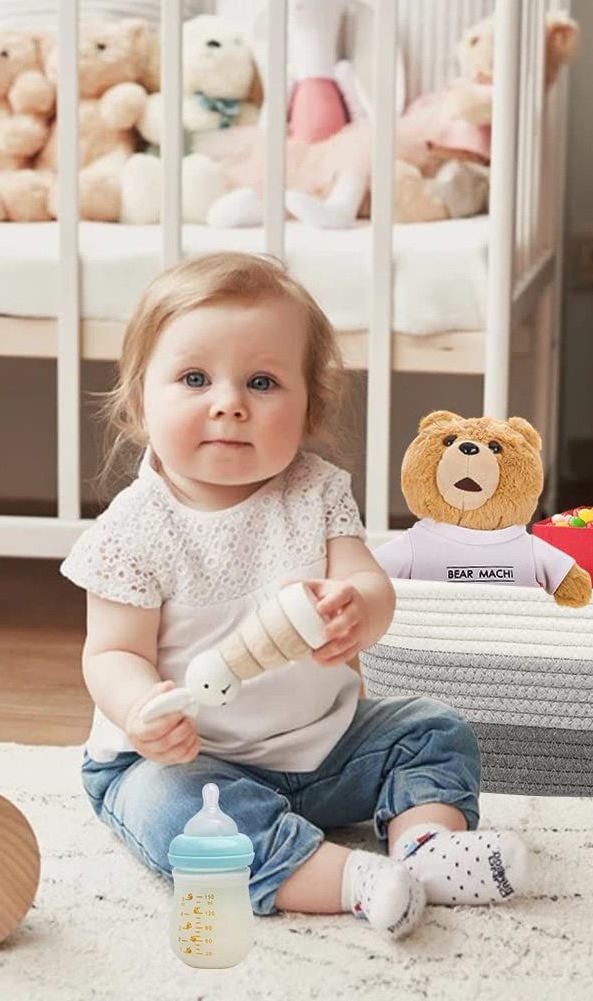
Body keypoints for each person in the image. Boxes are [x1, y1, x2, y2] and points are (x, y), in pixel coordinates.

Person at [61, 251, 527, 938]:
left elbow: (370, 585)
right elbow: (111, 653)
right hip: (193, 760)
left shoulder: (315, 491)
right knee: (166, 810)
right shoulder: (133, 528)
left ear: (312, 406)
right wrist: (139, 709)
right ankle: (347, 877)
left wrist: (357, 611)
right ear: (139, 402)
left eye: (262, 381)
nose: (229, 402)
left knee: (432, 728)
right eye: (194, 378)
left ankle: (426, 846)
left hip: (326, 748)